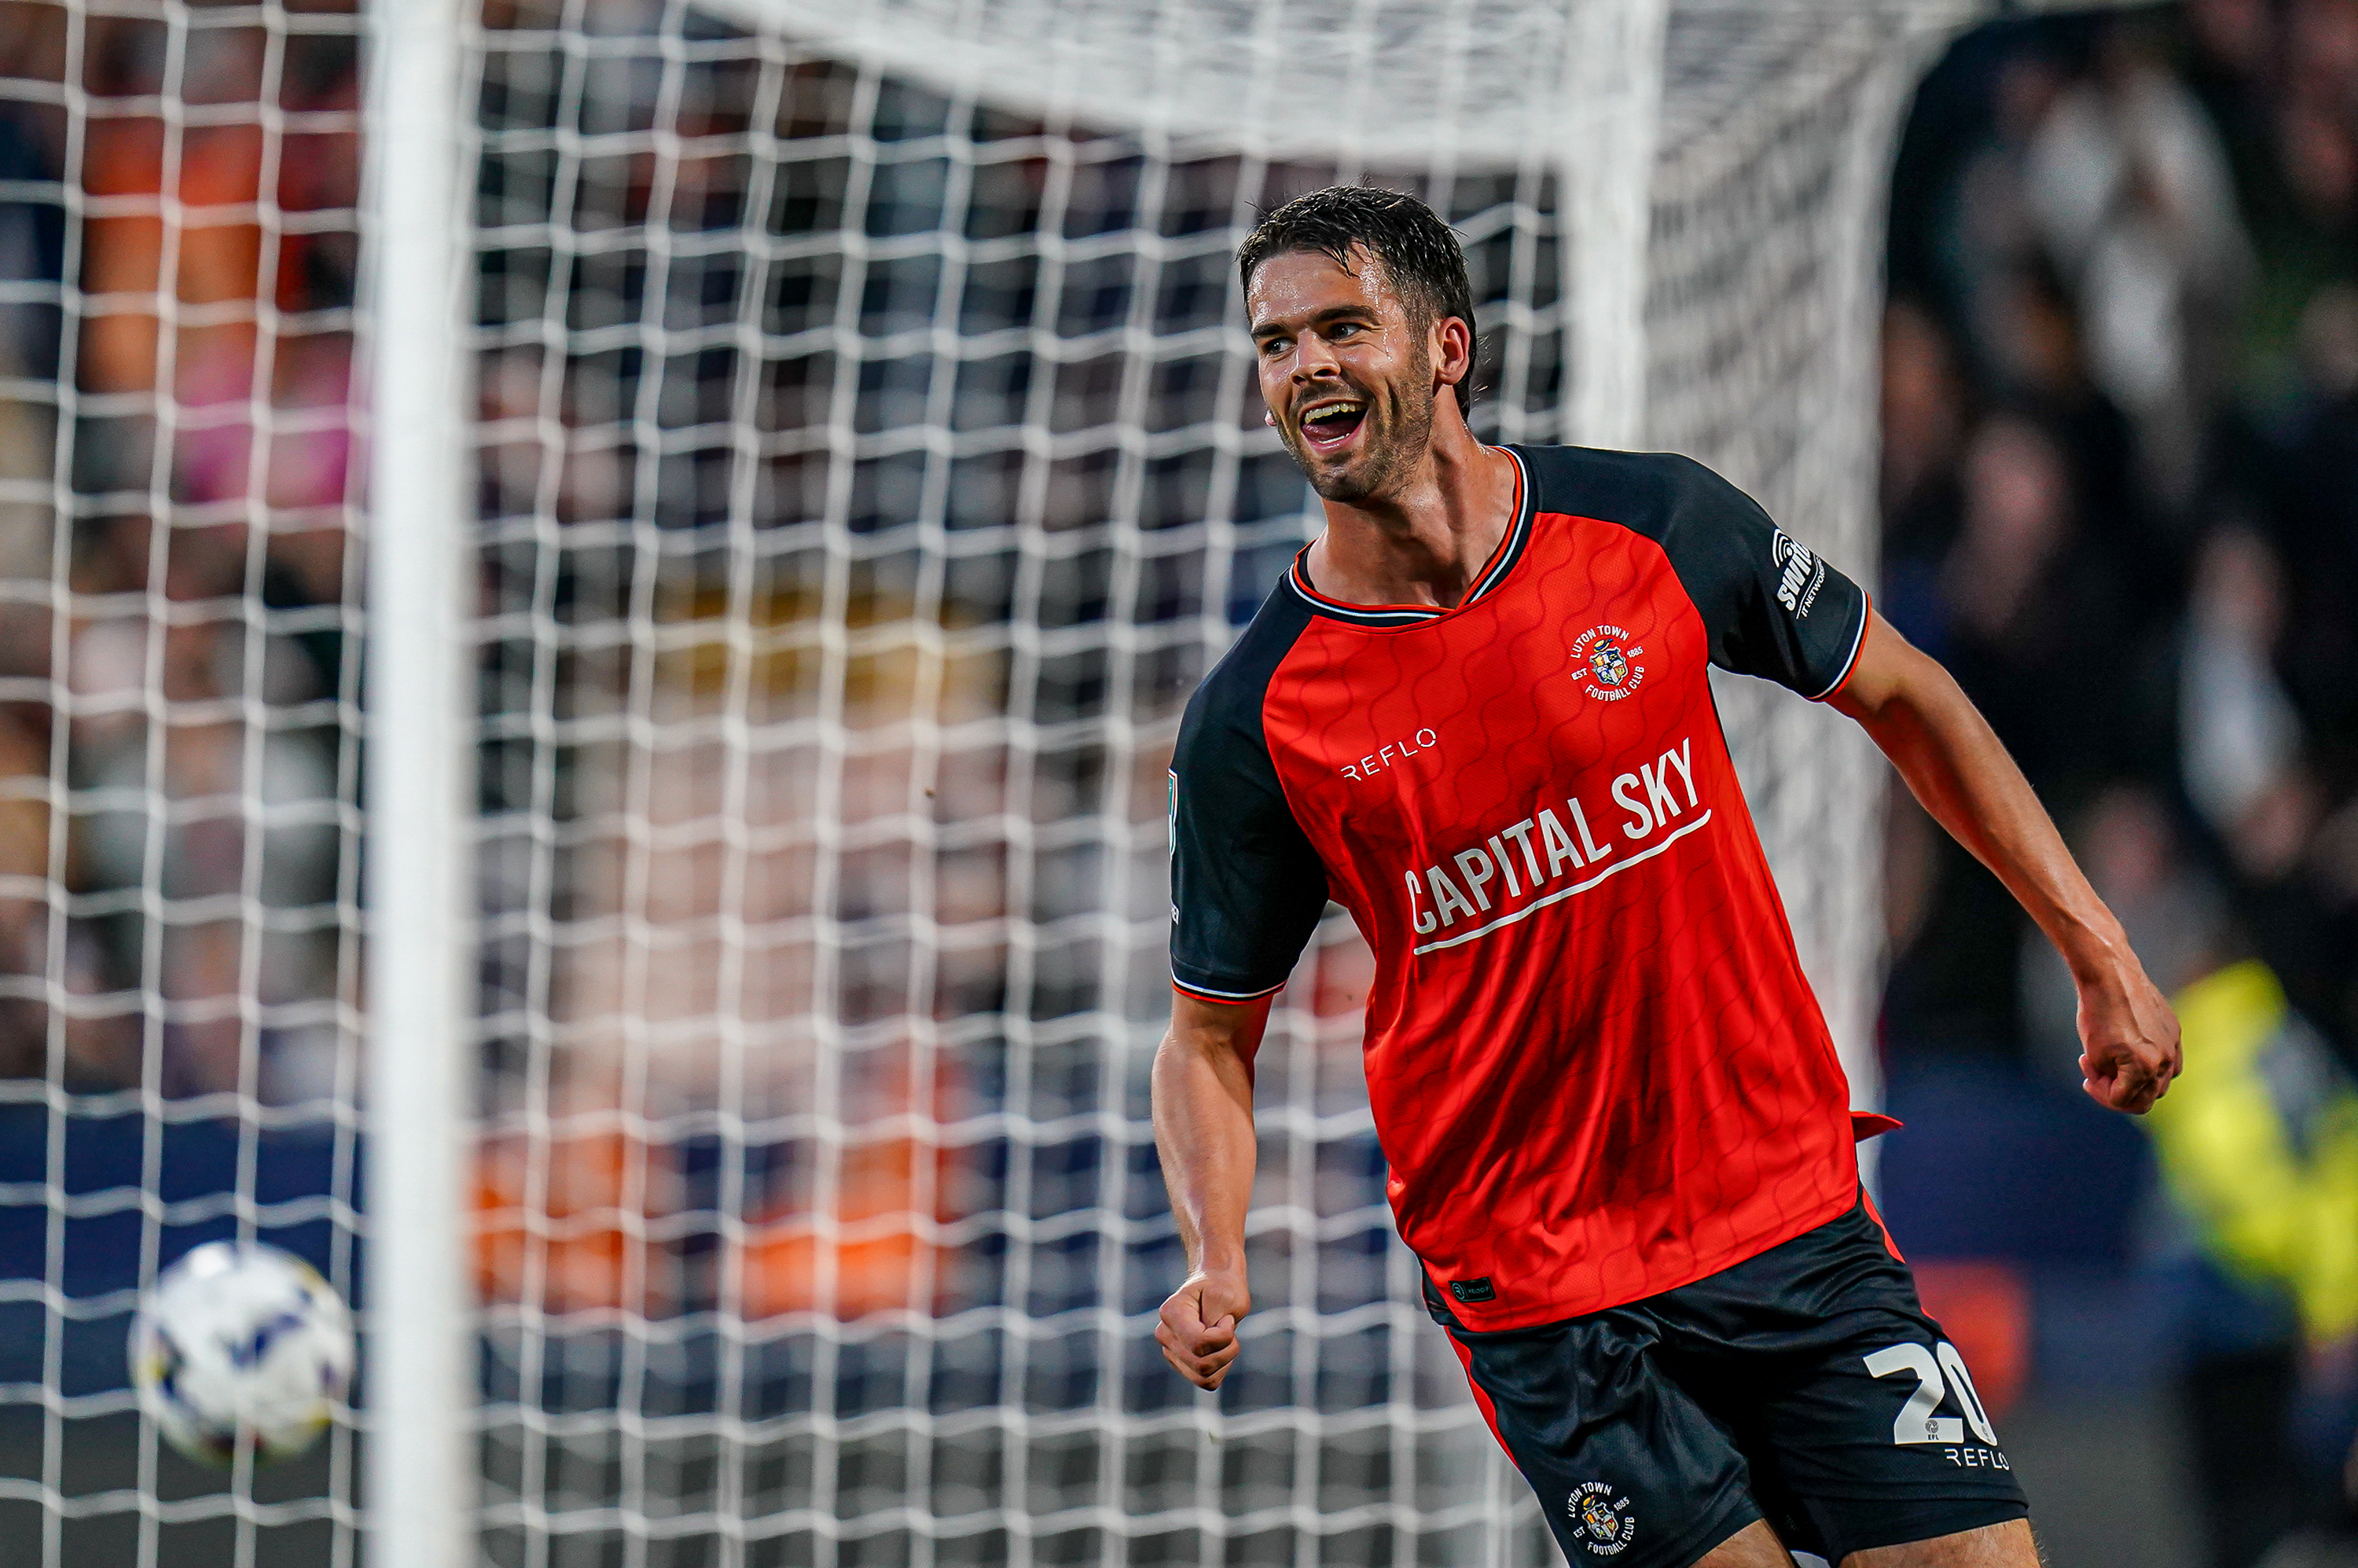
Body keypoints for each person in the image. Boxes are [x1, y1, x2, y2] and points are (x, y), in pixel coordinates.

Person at [1151, 186, 2183, 1568]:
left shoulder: (1647, 522)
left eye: (1343, 328)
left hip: (1786, 1214)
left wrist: (2097, 948)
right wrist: (1217, 1251)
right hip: (1547, 1287)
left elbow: (1904, 692)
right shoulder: (1257, 717)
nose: (1306, 368)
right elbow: (1209, 1034)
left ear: (1448, 345)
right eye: (1276, 344)